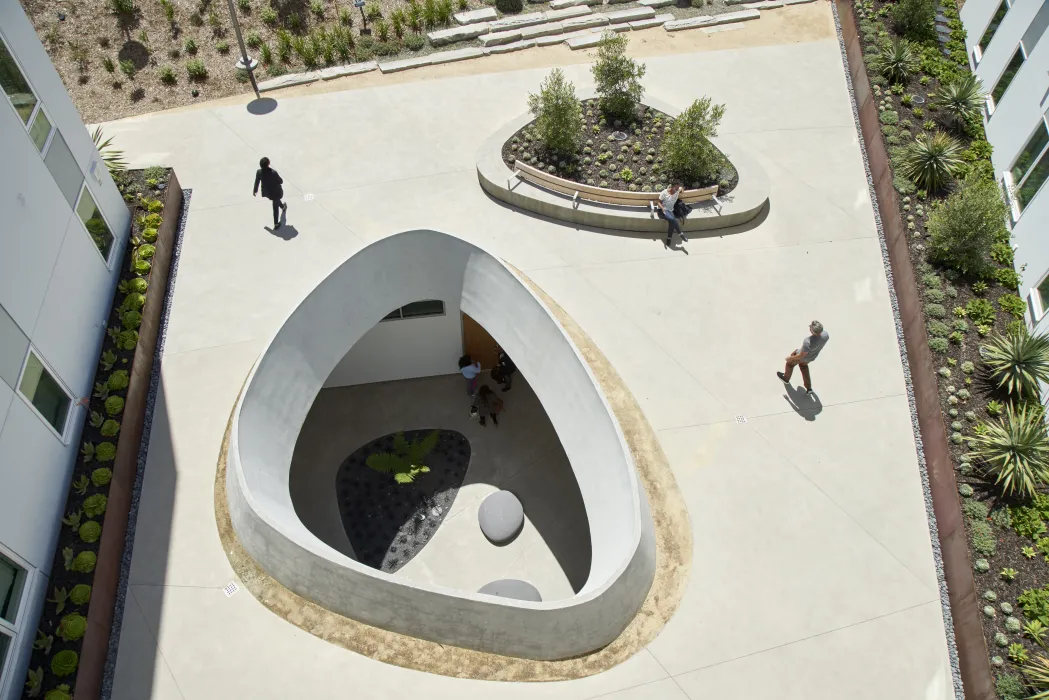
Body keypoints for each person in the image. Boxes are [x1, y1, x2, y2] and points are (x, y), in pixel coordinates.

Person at [777, 320, 830, 395]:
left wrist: (790, 358)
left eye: (810, 327)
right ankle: (809, 388)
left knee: (789, 364)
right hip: (812, 357)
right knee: (803, 367)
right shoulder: (826, 335)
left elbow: (801, 355)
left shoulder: (807, 342)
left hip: (803, 357)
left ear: (812, 331)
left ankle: (786, 379)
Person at [253, 157, 288, 229]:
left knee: (276, 201)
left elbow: (257, 182)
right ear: (268, 164)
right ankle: (276, 224)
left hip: (267, 193)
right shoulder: (273, 173)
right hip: (276, 192)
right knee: (275, 207)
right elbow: (280, 181)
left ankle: (283, 207)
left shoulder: (259, 172)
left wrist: (255, 190)